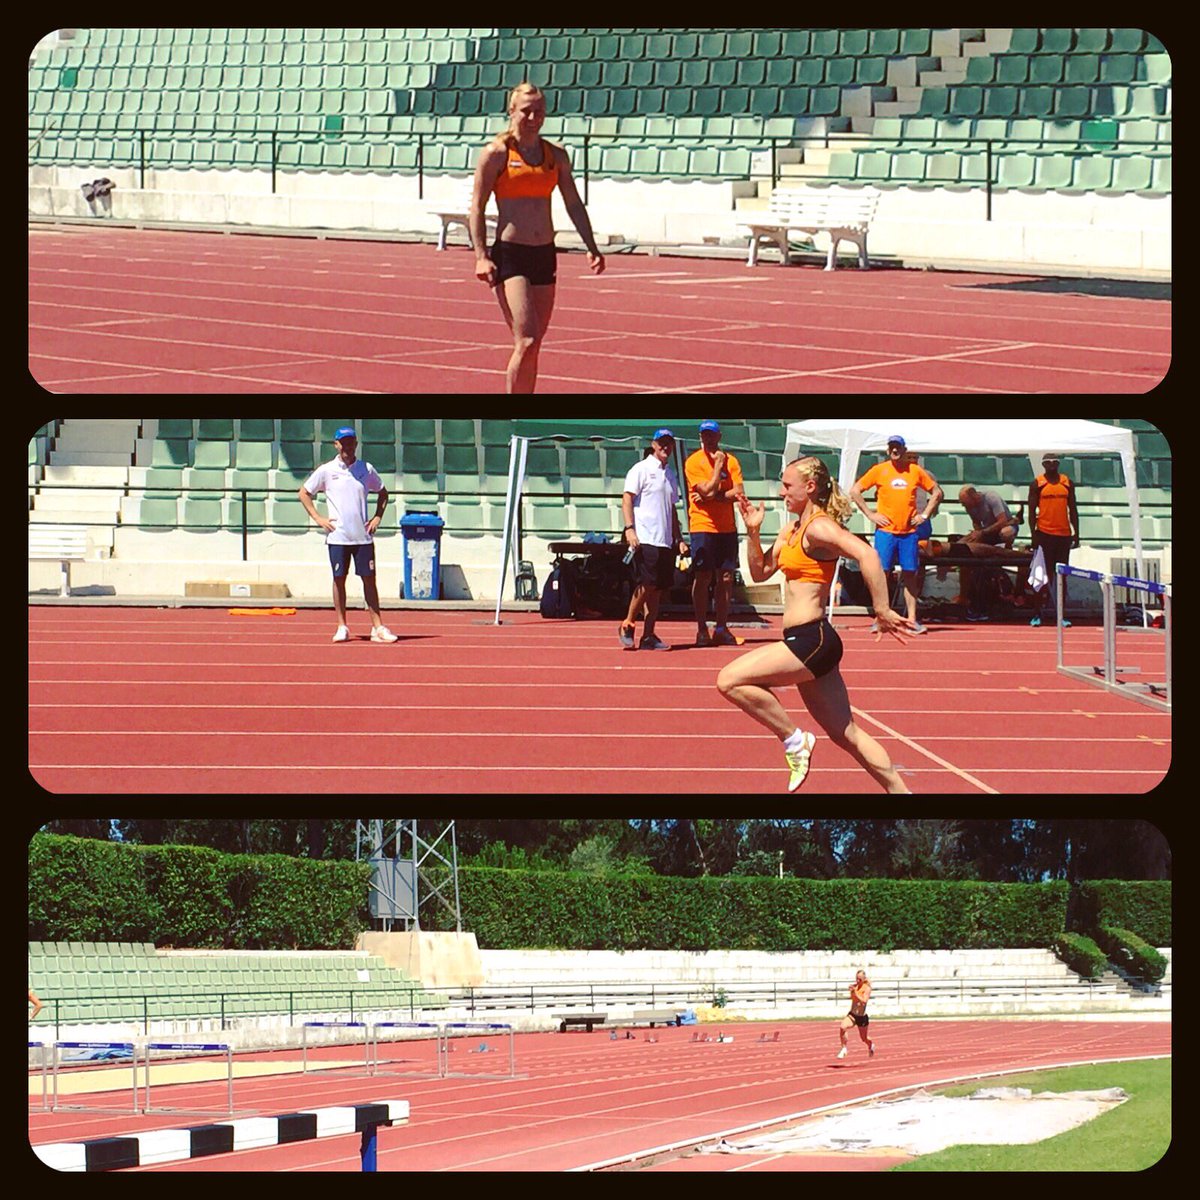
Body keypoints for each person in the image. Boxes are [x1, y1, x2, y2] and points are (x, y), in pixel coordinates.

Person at [717, 457, 916, 793]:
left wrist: (881, 608)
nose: (781, 493)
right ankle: (900, 791)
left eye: (787, 486)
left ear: (810, 487)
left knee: (730, 680)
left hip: (812, 639)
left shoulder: (820, 528)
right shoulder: (791, 530)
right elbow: (762, 570)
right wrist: (752, 532)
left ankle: (795, 741)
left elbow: (867, 555)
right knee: (846, 733)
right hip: (808, 640)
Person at [470, 82, 605, 394]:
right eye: (526, 111)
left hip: (544, 253)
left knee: (535, 344)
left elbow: (573, 202)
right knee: (526, 339)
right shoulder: (496, 154)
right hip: (511, 254)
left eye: (539, 111)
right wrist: (481, 256)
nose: (533, 117)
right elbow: (477, 206)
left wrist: (591, 246)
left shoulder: (555, 155)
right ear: (511, 111)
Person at [298, 427, 398, 644]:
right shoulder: (326, 470)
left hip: (362, 537)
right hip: (338, 537)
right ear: (336, 444)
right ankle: (342, 625)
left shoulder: (366, 469)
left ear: (356, 444)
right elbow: (304, 492)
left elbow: (383, 492)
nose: (347, 446)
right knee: (339, 579)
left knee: (369, 581)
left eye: (351, 442)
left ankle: (377, 627)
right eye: (343, 442)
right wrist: (318, 518)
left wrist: (377, 517)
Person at [848, 435, 943, 636]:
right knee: (880, 574)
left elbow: (936, 492)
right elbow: (855, 490)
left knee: (910, 574)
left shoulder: (916, 471)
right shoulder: (879, 470)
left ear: (904, 449)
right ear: (887, 450)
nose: (895, 450)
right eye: (891, 447)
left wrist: (924, 515)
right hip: (886, 533)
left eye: (898, 447)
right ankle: (881, 617)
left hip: (908, 533)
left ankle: (911, 619)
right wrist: (870, 514)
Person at [619, 430, 688, 651]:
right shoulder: (641, 469)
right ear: (654, 444)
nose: (665, 447)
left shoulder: (670, 475)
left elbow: (672, 510)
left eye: (669, 443)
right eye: (661, 443)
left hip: (665, 540)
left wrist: (678, 538)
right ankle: (628, 623)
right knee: (646, 583)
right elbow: (627, 498)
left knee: (658, 589)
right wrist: (630, 529)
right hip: (645, 536)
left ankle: (648, 634)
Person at [685, 420, 746, 647]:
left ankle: (721, 627)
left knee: (726, 578)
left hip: (727, 527)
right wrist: (718, 469)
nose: (708, 440)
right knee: (703, 576)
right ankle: (702, 629)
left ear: (719, 436)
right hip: (703, 526)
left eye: (712, 435)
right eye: (704, 435)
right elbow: (706, 489)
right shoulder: (694, 462)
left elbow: (738, 491)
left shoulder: (733, 461)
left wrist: (715, 497)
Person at [1028, 454, 1081, 627]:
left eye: (1054, 462)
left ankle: (1061, 615)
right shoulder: (1037, 483)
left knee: (1061, 576)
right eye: (1048, 462)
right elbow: (1031, 512)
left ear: (1058, 464)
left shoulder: (1067, 482)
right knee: (1042, 575)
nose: (1051, 465)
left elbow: (1072, 508)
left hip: (1063, 535)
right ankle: (1037, 613)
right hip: (1044, 534)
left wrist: (1076, 533)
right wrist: (1033, 535)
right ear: (1043, 465)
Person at [958, 486, 1020, 621]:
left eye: (965, 502)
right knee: (964, 543)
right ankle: (964, 597)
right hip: (987, 531)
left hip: (1004, 527)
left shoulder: (992, 497)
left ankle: (1007, 549)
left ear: (974, 497)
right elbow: (976, 522)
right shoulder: (970, 506)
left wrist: (983, 533)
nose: (964, 506)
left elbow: (1002, 520)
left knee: (1006, 532)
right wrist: (977, 535)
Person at [837, 970, 875, 1059]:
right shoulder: (855, 987)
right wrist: (852, 992)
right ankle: (844, 1048)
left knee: (864, 1038)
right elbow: (854, 999)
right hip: (853, 1015)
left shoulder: (867, 988)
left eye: (860, 979)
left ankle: (870, 1044)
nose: (857, 981)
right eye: (856, 979)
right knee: (843, 1027)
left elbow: (864, 1001)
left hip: (862, 1017)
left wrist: (855, 992)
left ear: (864, 979)